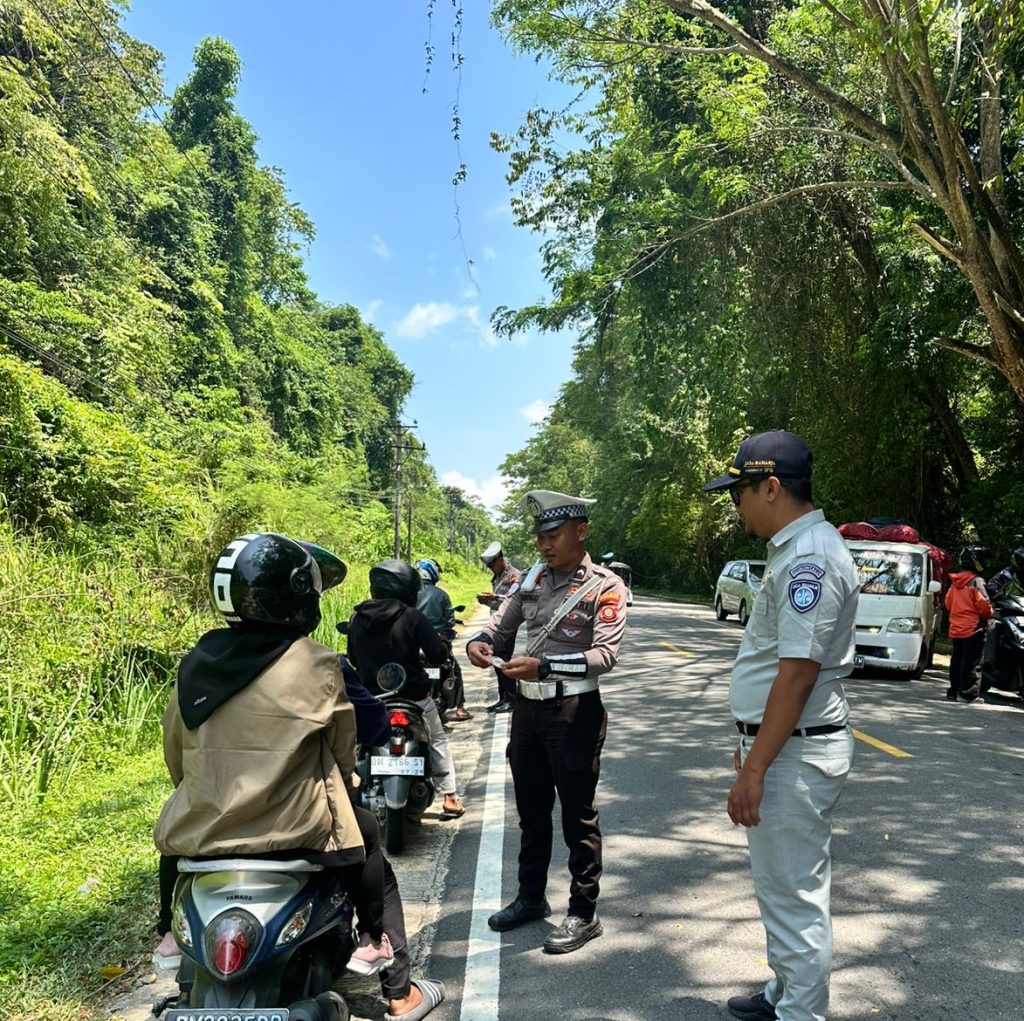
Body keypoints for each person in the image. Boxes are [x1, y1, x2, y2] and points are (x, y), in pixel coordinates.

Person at [153, 534, 404, 989]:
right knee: (365, 831)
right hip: (297, 833)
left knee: (172, 840)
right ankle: (375, 945)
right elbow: (345, 748)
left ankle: (168, 933)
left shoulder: (195, 662)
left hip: (203, 833)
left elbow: (177, 756)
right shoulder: (315, 662)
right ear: (297, 594)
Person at [702, 431, 858, 1021]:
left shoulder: (810, 559)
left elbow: (795, 676)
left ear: (771, 487)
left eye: (739, 490)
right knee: (780, 890)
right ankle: (784, 994)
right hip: (781, 746)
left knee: (795, 898)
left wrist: (757, 768)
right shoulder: (793, 549)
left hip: (793, 753)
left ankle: (801, 1013)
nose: (735, 502)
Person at [467, 491, 627, 954]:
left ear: (581, 531)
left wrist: (547, 668)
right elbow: (500, 624)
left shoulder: (605, 586)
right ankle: (531, 898)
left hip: (573, 712)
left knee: (577, 816)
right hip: (528, 712)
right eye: (539, 537)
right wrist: (479, 642)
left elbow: (605, 656)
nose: (544, 546)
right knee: (531, 812)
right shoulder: (531, 578)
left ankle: (582, 913)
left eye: (553, 535)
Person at [347, 559, 465, 818]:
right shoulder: (413, 617)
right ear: (405, 587)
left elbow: (353, 659)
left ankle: (349, 797)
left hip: (373, 699)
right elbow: (436, 655)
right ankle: (450, 797)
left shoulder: (356, 618)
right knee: (437, 740)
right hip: (414, 698)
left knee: (354, 743)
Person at [415, 557, 471, 721]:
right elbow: (450, 621)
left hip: (413, 642)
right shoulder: (441, 595)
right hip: (437, 641)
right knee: (454, 669)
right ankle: (460, 708)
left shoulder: (409, 594)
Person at [476, 541, 522, 713]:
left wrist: (495, 597)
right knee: (498, 662)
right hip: (497, 624)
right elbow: (498, 603)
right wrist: (488, 601)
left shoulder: (514, 576)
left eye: (491, 565)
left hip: (507, 626)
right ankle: (503, 698)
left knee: (502, 662)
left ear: (500, 559)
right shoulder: (497, 577)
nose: (490, 568)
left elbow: (514, 601)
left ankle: (511, 698)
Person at [944, 546, 993, 703]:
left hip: (957, 628)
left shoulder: (956, 582)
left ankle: (953, 691)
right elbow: (984, 606)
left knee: (957, 660)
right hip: (974, 628)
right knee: (972, 661)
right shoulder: (976, 582)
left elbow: (948, 603)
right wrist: (991, 612)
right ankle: (967, 693)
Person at [982, 547, 1024, 689]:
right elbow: (992, 585)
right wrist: (997, 595)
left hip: (1022, 613)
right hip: (1005, 611)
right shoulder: (1007, 573)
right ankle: (989, 662)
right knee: (992, 626)